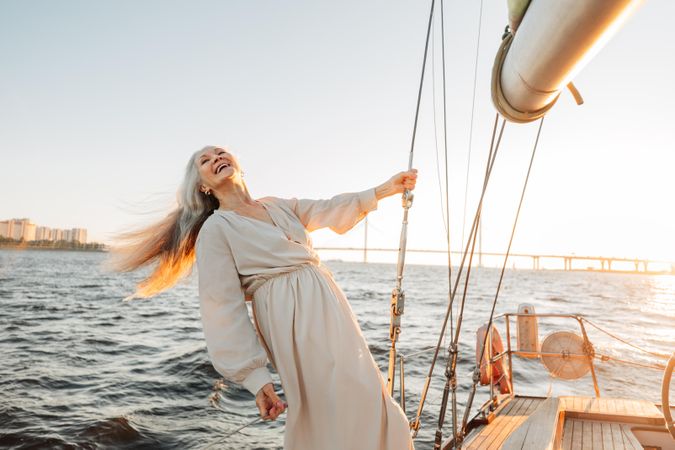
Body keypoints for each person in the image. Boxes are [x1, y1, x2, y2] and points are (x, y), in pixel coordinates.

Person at [112, 145, 418, 450]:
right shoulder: (216, 229)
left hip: (328, 302)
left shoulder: (276, 206)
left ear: (238, 165)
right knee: (333, 401)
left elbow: (327, 208)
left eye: (220, 153)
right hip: (289, 315)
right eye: (205, 161)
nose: (216, 158)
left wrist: (385, 189)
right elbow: (222, 307)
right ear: (203, 186)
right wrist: (257, 379)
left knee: (366, 391)